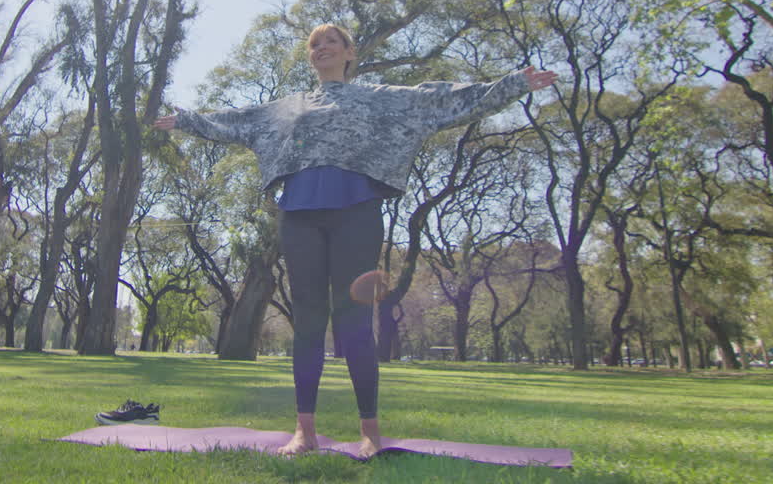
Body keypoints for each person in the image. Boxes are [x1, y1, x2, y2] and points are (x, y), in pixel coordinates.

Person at [155, 23, 557, 457]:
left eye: (331, 42)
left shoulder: (379, 97)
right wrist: (186, 121)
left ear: (350, 53)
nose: (321, 48)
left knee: (354, 322)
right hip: (300, 215)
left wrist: (512, 84)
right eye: (314, 44)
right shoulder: (288, 107)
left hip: (356, 213)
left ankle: (370, 432)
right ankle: (303, 432)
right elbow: (237, 121)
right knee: (308, 320)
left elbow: (441, 99)